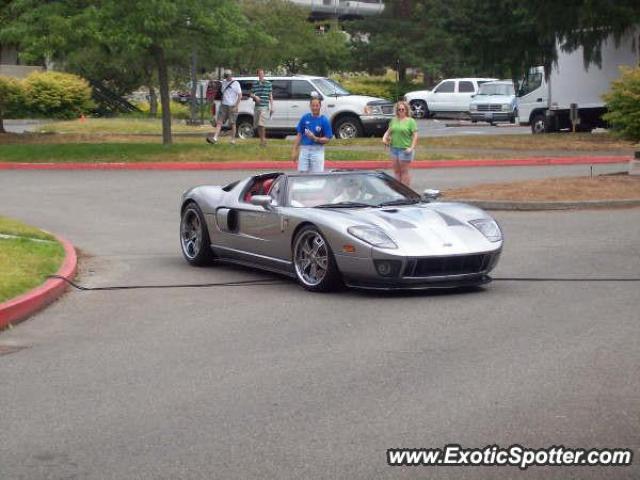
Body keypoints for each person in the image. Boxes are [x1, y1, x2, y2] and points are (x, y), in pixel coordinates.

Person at [291, 96, 333, 173]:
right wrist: (294, 150)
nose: (315, 108)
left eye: (317, 106)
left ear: (320, 106)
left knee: (316, 176)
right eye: (313, 105)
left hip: (317, 150)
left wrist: (315, 138)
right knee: (302, 175)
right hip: (304, 150)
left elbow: (327, 139)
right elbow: (299, 134)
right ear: (310, 106)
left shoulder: (324, 120)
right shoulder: (305, 118)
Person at [382, 100, 418, 186]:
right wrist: (384, 138)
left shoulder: (410, 121)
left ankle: (406, 192)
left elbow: (415, 136)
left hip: (405, 149)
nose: (401, 111)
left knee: (404, 171)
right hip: (394, 148)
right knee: (397, 171)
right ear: (396, 110)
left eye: (403, 109)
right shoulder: (394, 120)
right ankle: (398, 191)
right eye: (399, 109)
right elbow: (388, 131)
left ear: (406, 110)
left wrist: (411, 148)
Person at [208, 70, 242, 145]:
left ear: (231, 75)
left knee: (232, 123)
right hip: (223, 105)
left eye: (228, 75)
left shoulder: (236, 83)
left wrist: (236, 106)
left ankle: (233, 140)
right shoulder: (223, 83)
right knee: (219, 122)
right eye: (226, 76)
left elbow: (240, 95)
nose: (227, 77)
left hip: (232, 105)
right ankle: (215, 138)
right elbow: (216, 88)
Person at [249, 69, 273, 147]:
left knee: (261, 123)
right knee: (258, 125)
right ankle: (262, 140)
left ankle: (264, 140)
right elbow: (251, 94)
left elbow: (270, 96)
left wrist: (272, 106)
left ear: (264, 74)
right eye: (259, 74)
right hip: (257, 107)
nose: (261, 75)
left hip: (264, 106)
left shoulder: (268, 84)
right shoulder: (255, 84)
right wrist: (255, 97)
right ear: (258, 75)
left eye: (262, 74)